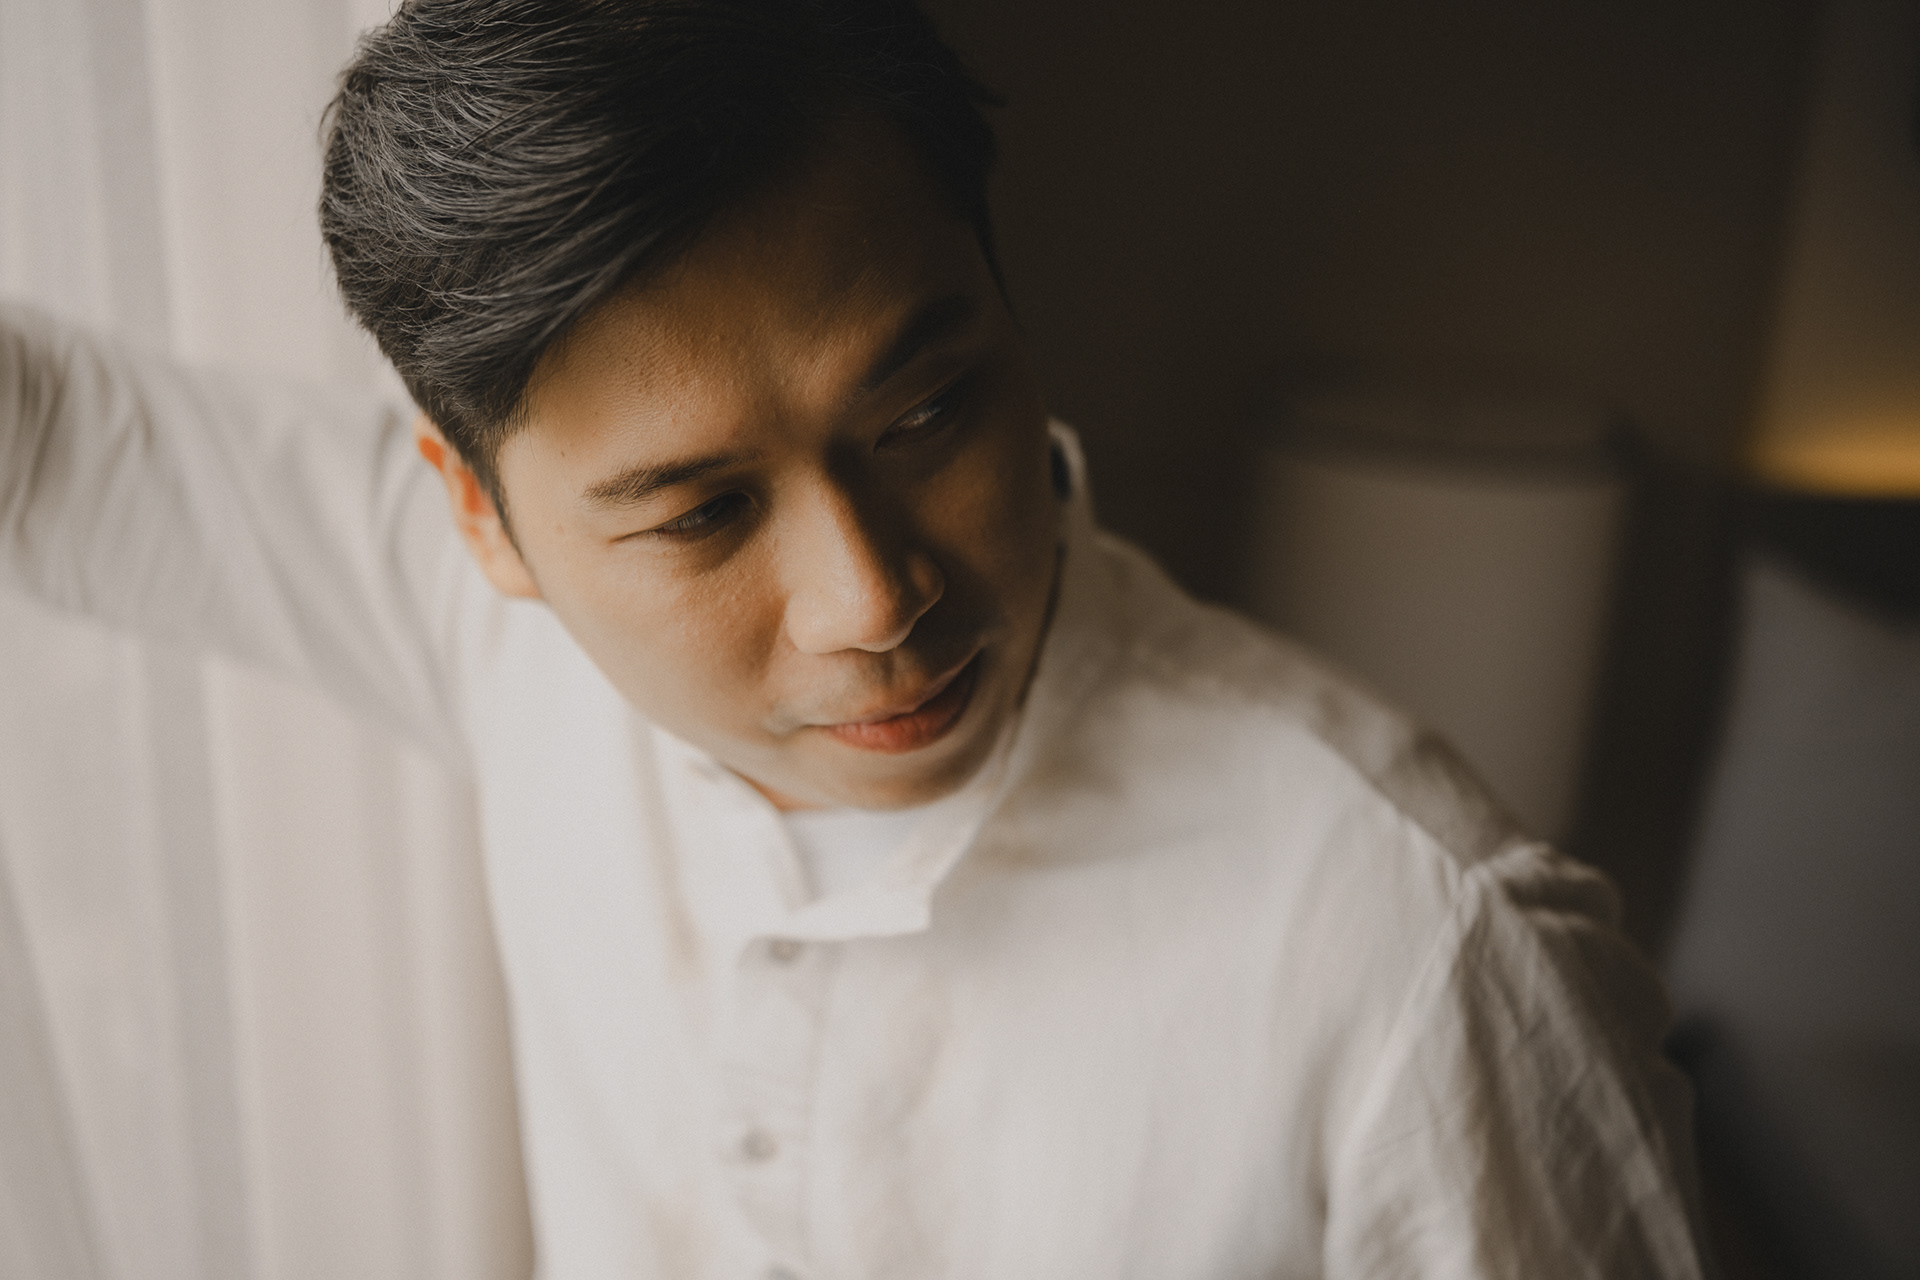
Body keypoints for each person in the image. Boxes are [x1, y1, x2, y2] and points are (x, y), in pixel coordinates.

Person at [0, 0, 1712, 1275]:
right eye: (700, 516)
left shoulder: (1424, 952)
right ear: (483, 521)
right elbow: (54, 441)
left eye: (928, 411)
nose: (874, 601)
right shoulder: (491, 629)